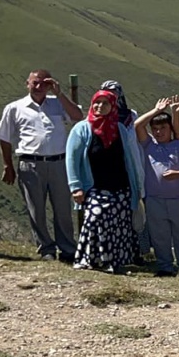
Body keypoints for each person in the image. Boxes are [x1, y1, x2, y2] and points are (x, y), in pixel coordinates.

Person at [0, 70, 83, 260]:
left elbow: (78, 116)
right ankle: (46, 249)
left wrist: (59, 93)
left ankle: (67, 248)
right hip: (30, 164)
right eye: (35, 83)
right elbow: (4, 138)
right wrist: (7, 166)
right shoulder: (15, 108)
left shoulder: (57, 104)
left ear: (50, 85)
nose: (38, 87)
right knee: (36, 209)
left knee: (63, 209)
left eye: (44, 83)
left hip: (59, 162)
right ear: (27, 83)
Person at [66, 90, 144, 274]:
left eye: (105, 103)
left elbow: (129, 159)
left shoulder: (120, 130)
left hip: (120, 186)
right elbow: (72, 159)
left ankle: (114, 261)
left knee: (118, 223)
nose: (100, 107)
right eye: (97, 103)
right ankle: (90, 258)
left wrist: (136, 186)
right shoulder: (81, 129)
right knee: (96, 217)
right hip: (94, 187)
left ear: (112, 107)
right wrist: (75, 187)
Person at [135, 98, 179, 278]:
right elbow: (138, 125)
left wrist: (177, 174)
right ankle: (165, 266)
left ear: (170, 129)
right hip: (155, 199)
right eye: (155, 129)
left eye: (163, 128)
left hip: (178, 199)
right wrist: (156, 110)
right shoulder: (149, 145)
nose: (159, 132)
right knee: (159, 235)